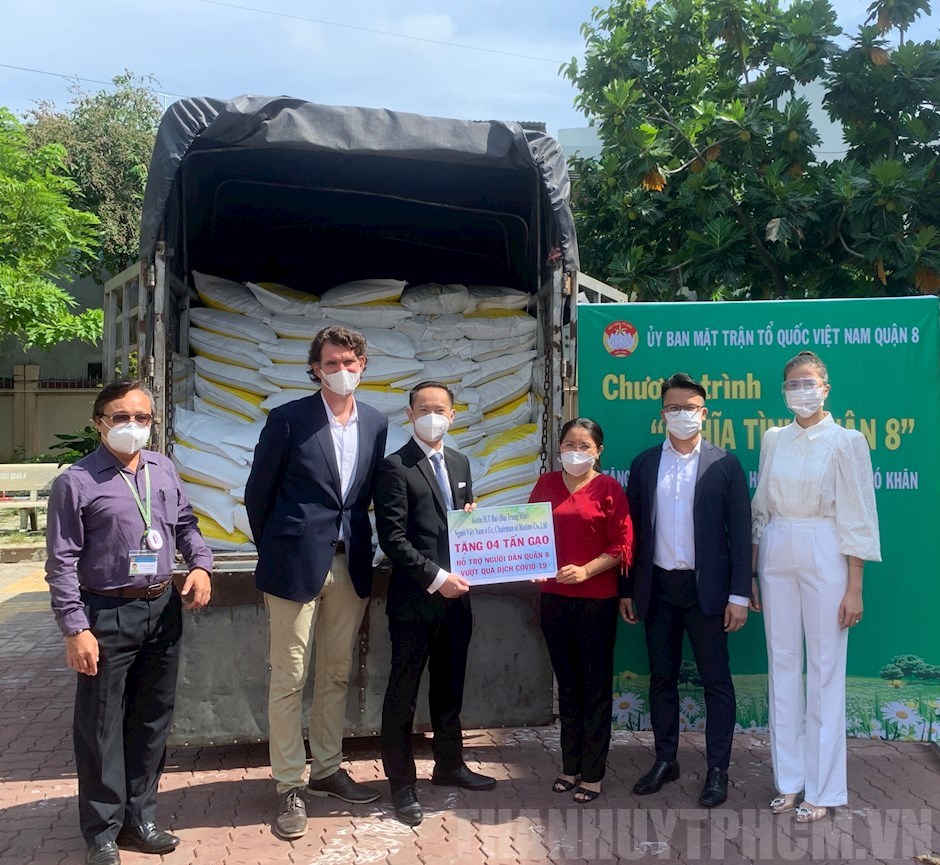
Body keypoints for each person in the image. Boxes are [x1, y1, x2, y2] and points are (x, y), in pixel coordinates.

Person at [45, 380, 212, 865]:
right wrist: (75, 628)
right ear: (99, 422)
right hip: (105, 613)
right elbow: (61, 562)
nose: (133, 426)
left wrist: (201, 564)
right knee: (100, 726)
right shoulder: (76, 482)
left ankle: (140, 819)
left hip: (161, 608)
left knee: (152, 718)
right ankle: (102, 832)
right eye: (121, 417)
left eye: (142, 417)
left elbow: (186, 524)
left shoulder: (163, 468)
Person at [245, 325, 388, 840]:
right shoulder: (288, 419)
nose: (341, 371)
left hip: (351, 564)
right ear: (315, 369)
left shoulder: (376, 422)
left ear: (363, 365)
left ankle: (327, 769)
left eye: (350, 362)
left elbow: (370, 493)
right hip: (293, 565)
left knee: (335, 673)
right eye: (331, 363)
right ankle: (289, 783)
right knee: (289, 677)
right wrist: (280, 547)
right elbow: (258, 494)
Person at [750, 350, 880, 823]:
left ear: (826, 388)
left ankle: (822, 790)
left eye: (809, 382)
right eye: (793, 383)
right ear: (783, 391)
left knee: (825, 669)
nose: (801, 391)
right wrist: (752, 571)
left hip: (826, 546)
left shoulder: (847, 441)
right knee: (782, 663)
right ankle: (789, 782)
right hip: (777, 545)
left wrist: (854, 586)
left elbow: (858, 513)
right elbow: (761, 505)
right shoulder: (773, 439)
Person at [621, 372, 751, 808]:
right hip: (658, 587)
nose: (682, 415)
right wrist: (627, 589)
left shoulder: (724, 464)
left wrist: (739, 595)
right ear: (663, 414)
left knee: (716, 681)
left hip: (707, 591)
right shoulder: (644, 464)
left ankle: (718, 770)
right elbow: (632, 534)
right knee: (662, 678)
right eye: (674, 408)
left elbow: (740, 532)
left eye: (690, 408)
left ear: (704, 413)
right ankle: (665, 760)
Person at [375, 381, 496, 827]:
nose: (432, 417)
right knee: (402, 694)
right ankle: (401, 784)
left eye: (439, 410)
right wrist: (436, 578)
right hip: (415, 602)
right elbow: (393, 538)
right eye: (423, 409)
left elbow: (460, 522)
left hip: (457, 600)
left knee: (450, 687)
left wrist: (474, 524)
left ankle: (449, 764)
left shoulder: (460, 462)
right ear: (409, 415)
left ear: (452, 415)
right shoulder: (395, 467)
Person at [528, 418, 633, 804]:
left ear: (598, 451)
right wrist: (529, 563)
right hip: (554, 599)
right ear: (559, 447)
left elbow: (623, 544)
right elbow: (528, 533)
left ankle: (593, 774)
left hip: (596, 601)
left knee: (595, 687)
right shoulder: (546, 484)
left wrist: (587, 570)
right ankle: (569, 767)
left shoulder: (609, 489)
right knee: (568, 686)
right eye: (570, 444)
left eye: (584, 446)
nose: (576, 451)